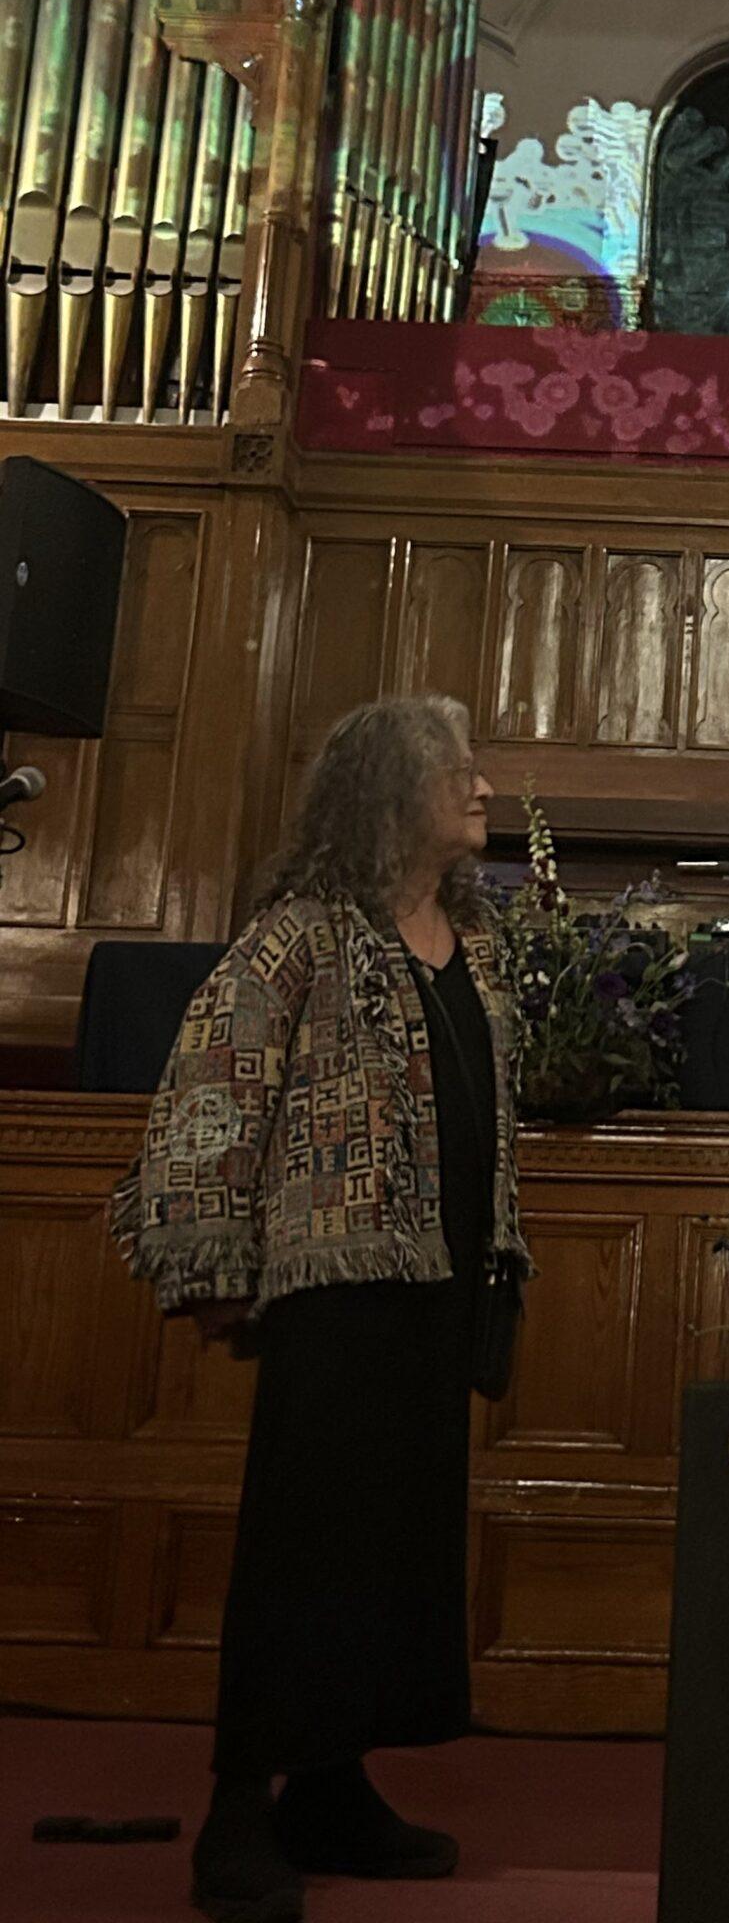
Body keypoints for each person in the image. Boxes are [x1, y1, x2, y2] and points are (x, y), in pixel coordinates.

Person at [110, 695, 531, 1923]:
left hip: (442, 1284)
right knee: (305, 1546)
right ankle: (239, 1810)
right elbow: (212, 1086)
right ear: (390, 792)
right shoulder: (300, 934)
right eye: (458, 770)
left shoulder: (472, 938)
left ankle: (333, 1787)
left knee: (395, 1547)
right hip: (337, 1286)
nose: (483, 787)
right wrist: (210, 1260)